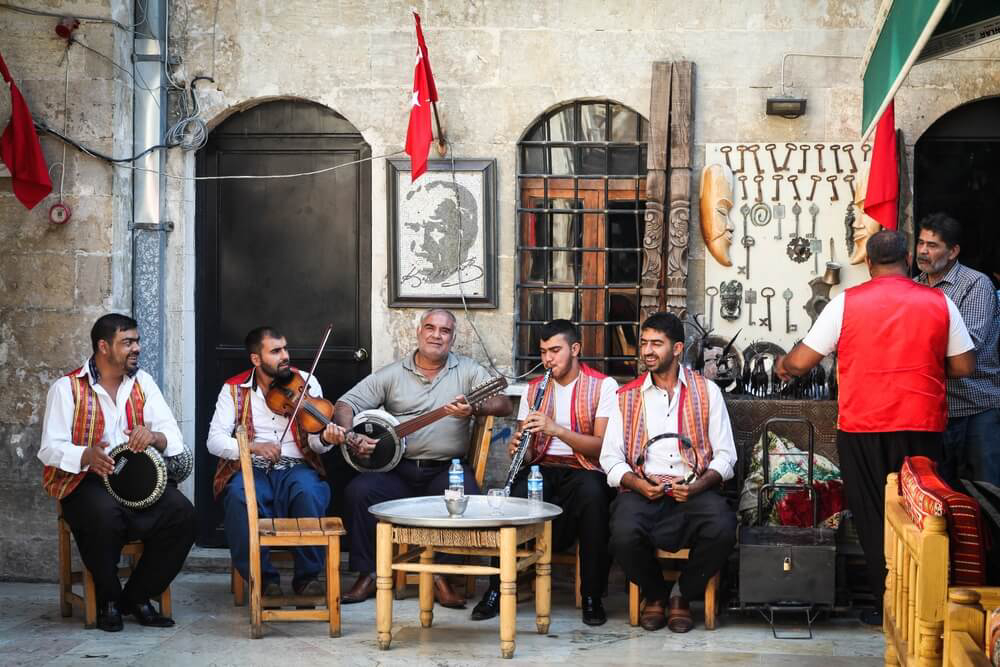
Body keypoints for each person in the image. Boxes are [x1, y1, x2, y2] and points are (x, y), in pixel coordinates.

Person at [776, 229, 975, 625]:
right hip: (922, 423)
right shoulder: (940, 301)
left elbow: (799, 364)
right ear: (907, 258)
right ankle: (924, 605)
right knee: (924, 514)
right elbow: (964, 366)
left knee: (872, 513)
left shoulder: (845, 304)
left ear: (868, 263)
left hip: (864, 424)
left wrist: (783, 365)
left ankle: (889, 605)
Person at [335, 308, 512, 607]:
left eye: (444, 331)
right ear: (419, 333)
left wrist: (475, 409)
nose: (436, 335)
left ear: (453, 338)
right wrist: (350, 435)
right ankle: (368, 574)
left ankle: (441, 575)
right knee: (359, 492)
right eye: (430, 328)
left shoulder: (467, 370)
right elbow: (345, 403)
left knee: (467, 495)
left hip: (446, 471)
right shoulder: (393, 374)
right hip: (397, 470)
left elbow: (504, 403)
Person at [38, 314, 197, 632]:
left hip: (136, 482)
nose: (136, 348)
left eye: (136, 341)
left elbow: (172, 438)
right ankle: (109, 599)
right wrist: (85, 454)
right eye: (127, 342)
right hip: (86, 480)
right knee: (104, 515)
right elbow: (49, 448)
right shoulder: (66, 388)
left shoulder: (143, 383)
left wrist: (153, 437)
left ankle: (135, 598)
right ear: (103, 346)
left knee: (184, 515)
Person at [470, 320, 618, 626]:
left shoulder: (604, 386)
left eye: (555, 351)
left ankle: (592, 596)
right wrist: (518, 448)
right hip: (543, 467)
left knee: (593, 498)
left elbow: (602, 447)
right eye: (543, 352)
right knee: (510, 503)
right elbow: (527, 446)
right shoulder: (535, 388)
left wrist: (556, 430)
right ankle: (497, 590)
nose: (548, 359)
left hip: (585, 468)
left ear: (575, 349)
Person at [601, 312, 738, 633]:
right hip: (643, 490)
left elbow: (726, 456)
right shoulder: (626, 396)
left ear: (677, 349)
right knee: (621, 534)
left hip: (695, 490)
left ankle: (682, 596)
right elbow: (610, 458)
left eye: (656, 344)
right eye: (644, 343)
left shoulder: (707, 392)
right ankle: (656, 595)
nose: (647, 351)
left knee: (722, 528)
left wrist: (697, 486)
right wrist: (636, 483)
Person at [207, 326, 347, 598]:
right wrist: (253, 447)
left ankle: (307, 578)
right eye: (275, 351)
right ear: (256, 359)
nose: (285, 356)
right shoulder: (233, 389)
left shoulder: (305, 382)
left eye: (285, 349)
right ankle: (262, 578)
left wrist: (328, 439)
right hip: (253, 468)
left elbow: (316, 444)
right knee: (239, 496)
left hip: (297, 466)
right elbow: (214, 441)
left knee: (309, 492)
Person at [915, 213, 1000, 487]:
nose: (923, 251)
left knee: (985, 491)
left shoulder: (976, 284)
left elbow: (967, 346)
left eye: (933, 245)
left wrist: (912, 351)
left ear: (953, 251)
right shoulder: (914, 287)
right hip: (934, 410)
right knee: (940, 492)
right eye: (921, 243)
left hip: (977, 406)